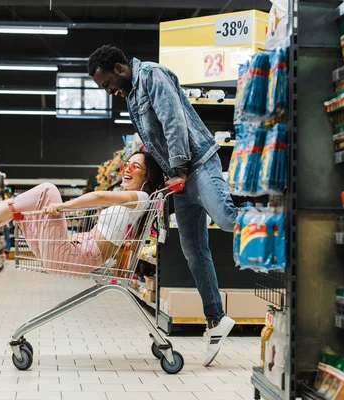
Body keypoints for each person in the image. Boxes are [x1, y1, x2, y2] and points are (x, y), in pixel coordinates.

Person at [87, 45, 238, 367]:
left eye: (106, 84)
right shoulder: (130, 94)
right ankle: (216, 319)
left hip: (198, 165)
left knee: (226, 220)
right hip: (177, 176)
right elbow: (153, 139)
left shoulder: (152, 75)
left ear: (118, 67)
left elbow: (173, 122)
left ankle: (268, 219)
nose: (108, 91)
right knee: (194, 250)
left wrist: (180, 169)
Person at [0, 151, 164, 274]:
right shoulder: (135, 200)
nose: (127, 170)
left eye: (136, 166)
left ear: (147, 175)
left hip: (77, 257)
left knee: (48, 189)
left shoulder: (141, 198)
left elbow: (99, 196)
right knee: (22, 207)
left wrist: (63, 207)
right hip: (74, 251)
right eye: (126, 164)